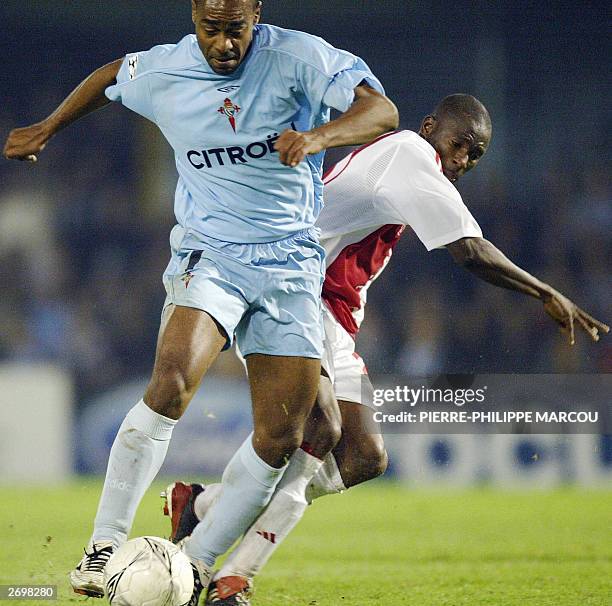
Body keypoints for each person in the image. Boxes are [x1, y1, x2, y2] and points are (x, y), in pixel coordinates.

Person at [3, 1, 399, 602]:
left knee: (282, 436)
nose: (223, 44)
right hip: (209, 254)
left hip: (291, 265)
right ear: (194, 16)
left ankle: (191, 564)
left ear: (255, 14)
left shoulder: (300, 58)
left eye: (234, 29)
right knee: (171, 382)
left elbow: (382, 111)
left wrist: (321, 134)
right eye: (210, 29)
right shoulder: (165, 70)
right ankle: (102, 546)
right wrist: (49, 127)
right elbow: (113, 75)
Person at [162, 93, 609, 605]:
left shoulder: (406, 162)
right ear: (429, 128)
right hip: (294, 295)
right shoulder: (411, 156)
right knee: (321, 432)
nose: (461, 161)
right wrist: (545, 291)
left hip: (331, 315)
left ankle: (203, 504)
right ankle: (223, 573)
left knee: (364, 456)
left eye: (475, 156)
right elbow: (467, 249)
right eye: (459, 145)